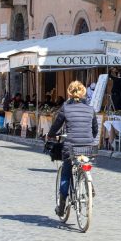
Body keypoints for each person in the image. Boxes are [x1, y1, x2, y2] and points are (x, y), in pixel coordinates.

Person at [47, 81, 98, 216]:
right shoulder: (90, 109)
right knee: (85, 163)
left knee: (66, 172)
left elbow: (57, 124)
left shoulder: (66, 108)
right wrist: (89, 138)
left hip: (71, 146)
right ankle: (89, 185)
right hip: (88, 146)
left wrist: (51, 134)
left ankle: (61, 206)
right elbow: (95, 130)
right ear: (83, 93)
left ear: (69, 93)